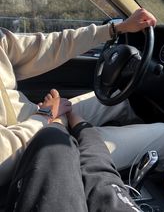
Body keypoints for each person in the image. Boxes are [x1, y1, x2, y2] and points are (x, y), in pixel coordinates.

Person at [0, 8, 164, 190]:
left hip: (34, 122)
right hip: (32, 154)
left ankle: (128, 160)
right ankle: (162, 191)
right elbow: (4, 156)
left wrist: (115, 29)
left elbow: (47, 46)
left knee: (119, 98)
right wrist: (45, 116)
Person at [5, 89, 142, 212]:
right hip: (30, 135)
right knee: (163, 133)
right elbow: (101, 178)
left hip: (38, 126)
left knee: (118, 98)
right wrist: (53, 118)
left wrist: (56, 119)